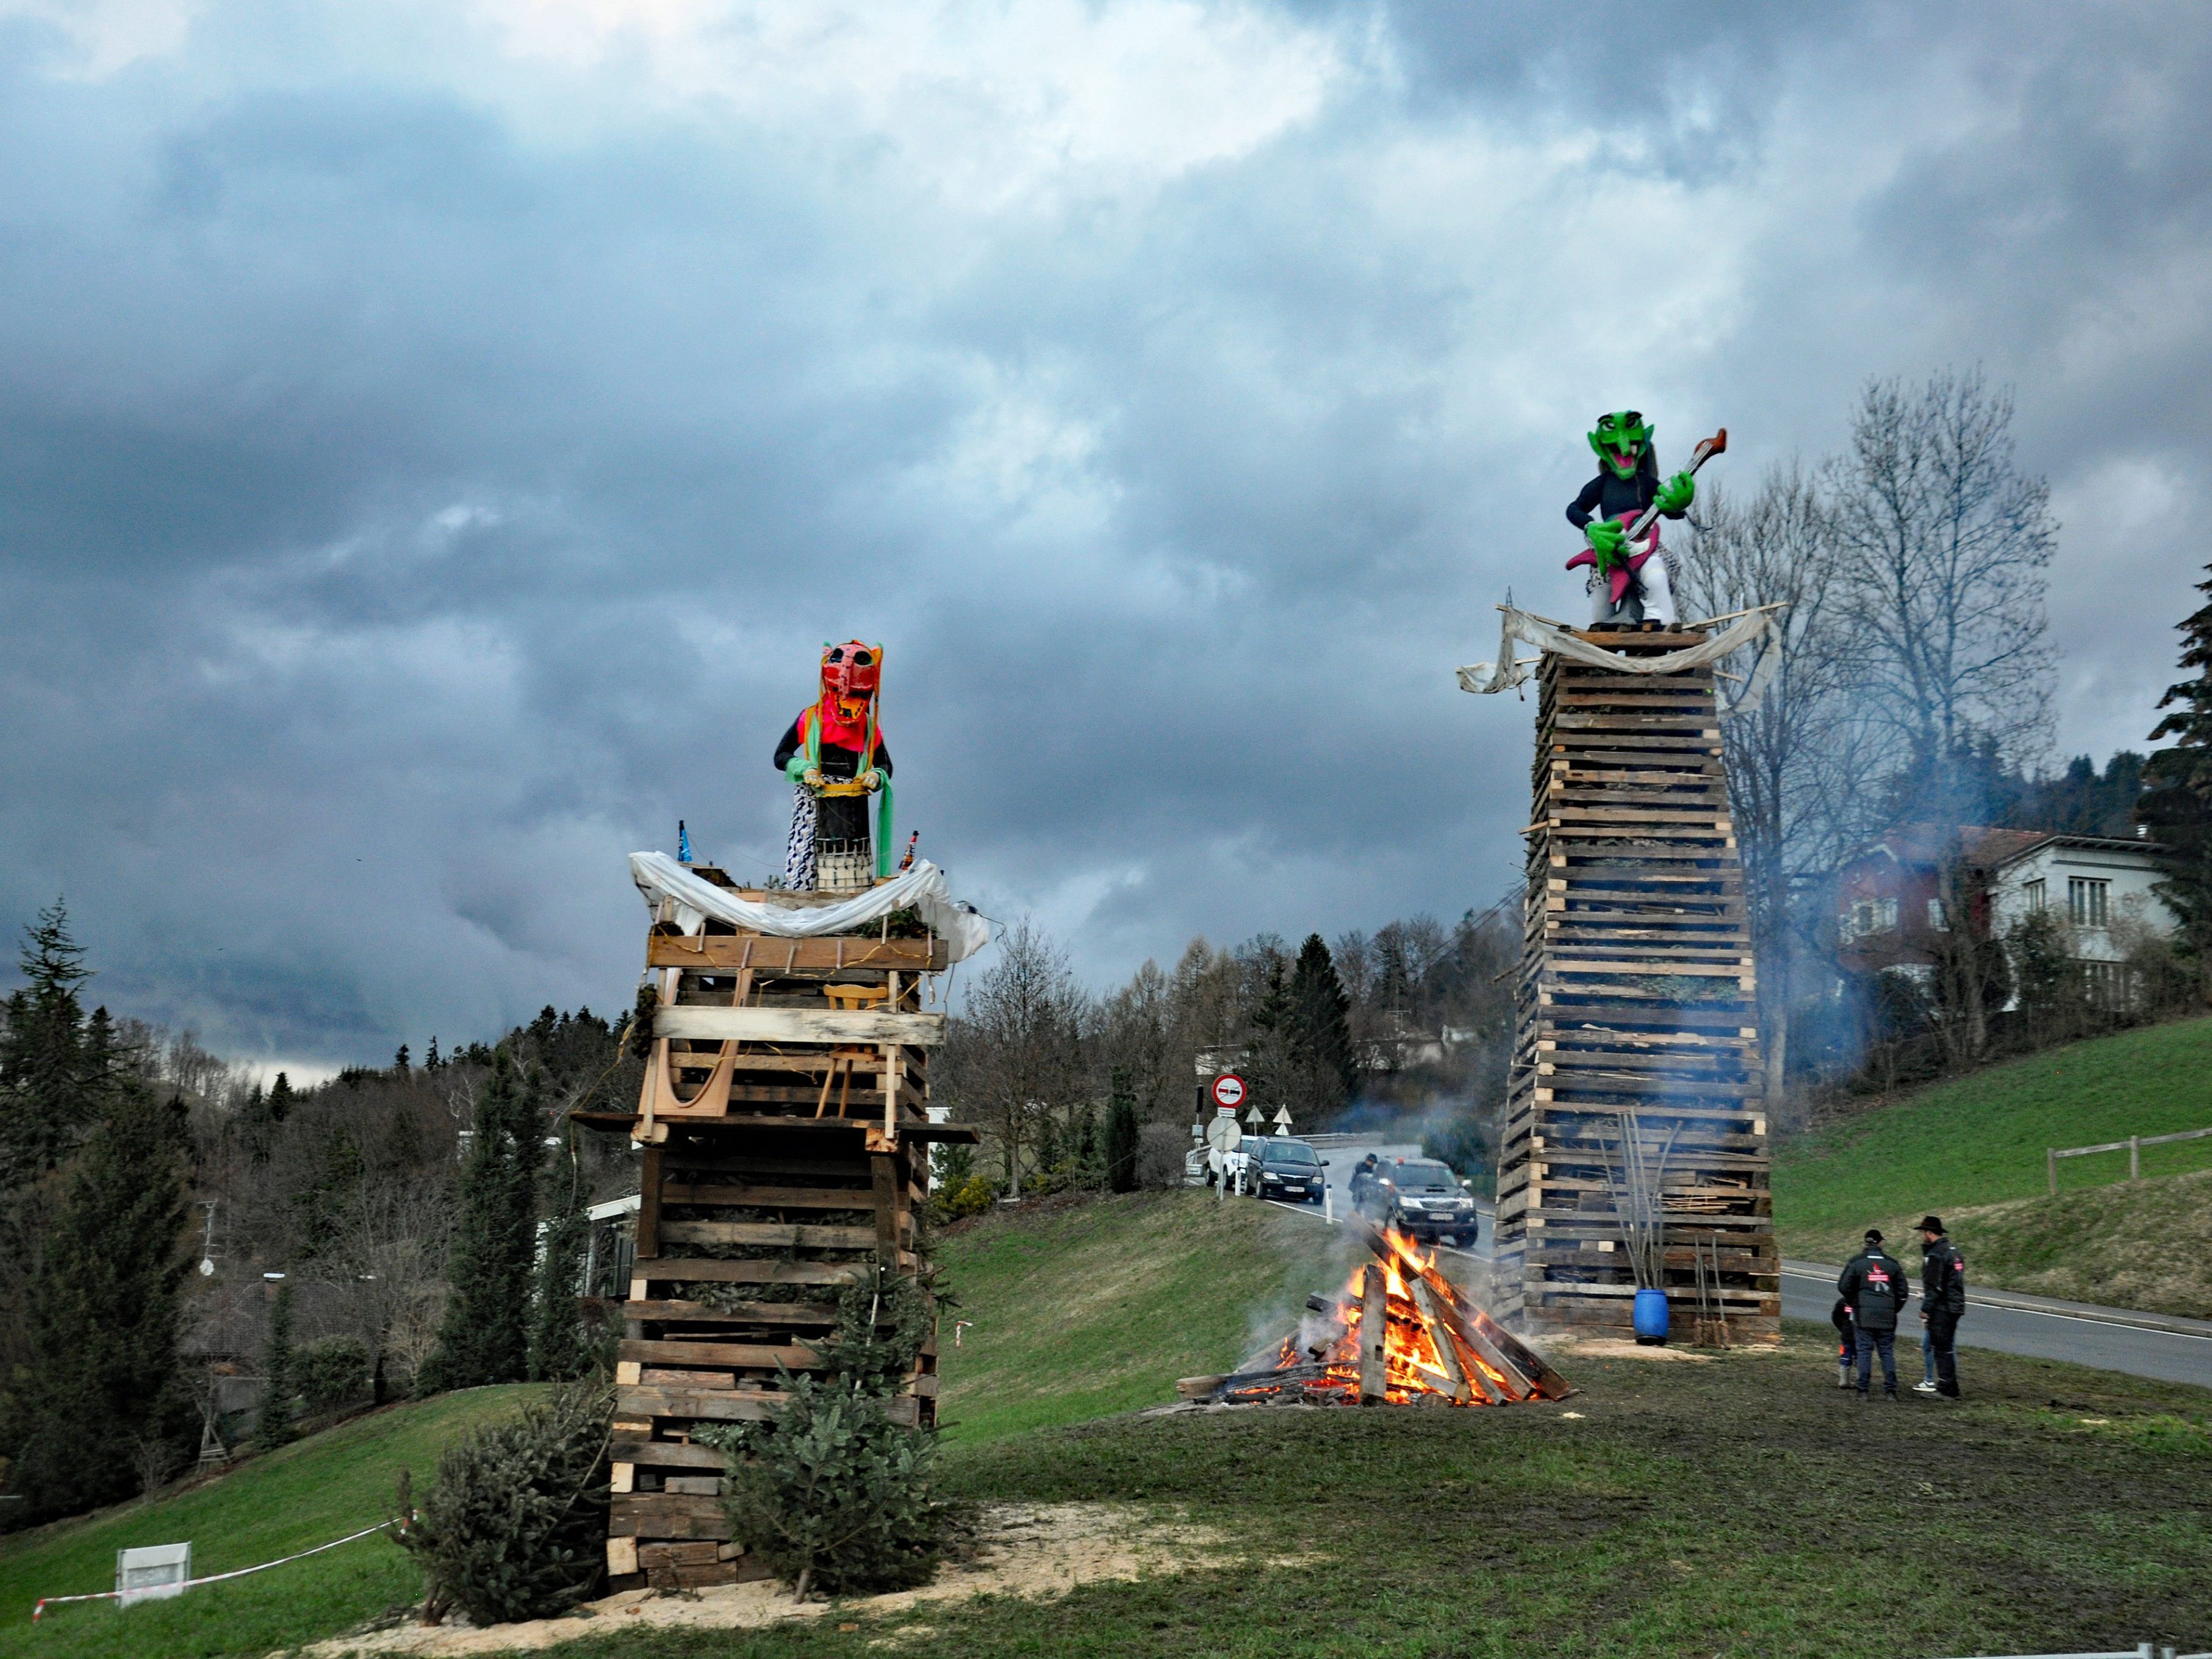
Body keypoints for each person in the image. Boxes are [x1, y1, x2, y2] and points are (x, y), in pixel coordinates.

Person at [773, 641, 893, 891]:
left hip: (852, 806)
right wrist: (804, 768)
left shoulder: (869, 727)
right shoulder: (810, 718)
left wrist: (875, 774)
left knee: (849, 868)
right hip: (813, 798)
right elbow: (781, 756)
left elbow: (886, 765)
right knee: (807, 858)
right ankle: (802, 896)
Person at [1564, 410, 1698, 631]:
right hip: (1609, 547)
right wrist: (1591, 526)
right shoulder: (1602, 483)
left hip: (1644, 544)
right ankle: (1604, 628)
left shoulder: (1646, 483)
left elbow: (1672, 510)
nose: (1625, 448)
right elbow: (1574, 508)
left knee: (1655, 573)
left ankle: (1660, 619)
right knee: (1601, 598)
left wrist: (1679, 503)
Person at [1837, 1228, 1909, 1399]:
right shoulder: (1892, 1264)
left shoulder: (1856, 1262)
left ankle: (1863, 1390)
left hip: (1863, 1315)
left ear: (1866, 1242)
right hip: (1887, 1316)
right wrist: (1894, 1308)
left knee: (1864, 1351)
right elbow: (1903, 1292)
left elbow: (1843, 1286)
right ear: (1880, 1243)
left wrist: (1855, 1301)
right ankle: (1891, 1390)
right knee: (1886, 1351)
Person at [1917, 1215, 1966, 1399]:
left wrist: (1925, 1308)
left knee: (1941, 1348)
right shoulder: (1955, 1252)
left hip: (1942, 1308)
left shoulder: (1935, 1255)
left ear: (1930, 1233)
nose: (1922, 1236)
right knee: (1948, 1347)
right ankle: (1950, 1386)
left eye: (1923, 1232)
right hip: (1956, 1305)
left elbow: (1934, 1286)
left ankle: (1947, 1389)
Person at [1830, 1295, 1858, 1390]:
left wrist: (1843, 1328)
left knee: (1845, 1355)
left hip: (1846, 1334)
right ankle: (1862, 1380)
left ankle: (1844, 1380)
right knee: (1861, 1357)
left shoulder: (1843, 1302)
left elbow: (1835, 1317)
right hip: (1861, 1334)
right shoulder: (1864, 1301)